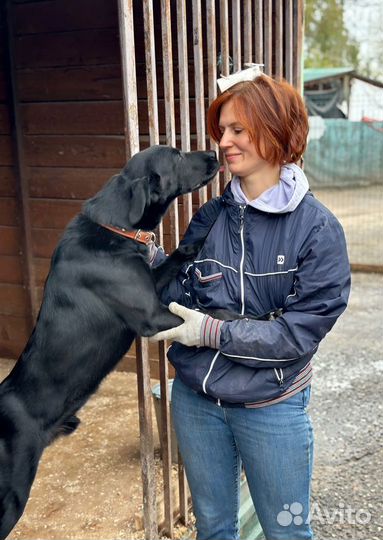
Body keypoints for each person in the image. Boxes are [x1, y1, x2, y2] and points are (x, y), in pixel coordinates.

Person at [150, 68, 351, 540]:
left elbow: (296, 335)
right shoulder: (210, 217)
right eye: (222, 130)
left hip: (271, 404)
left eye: (238, 129)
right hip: (197, 400)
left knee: (286, 532)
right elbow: (182, 298)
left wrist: (212, 332)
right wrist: (146, 260)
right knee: (214, 529)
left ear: (277, 131)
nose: (224, 141)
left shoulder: (317, 230)